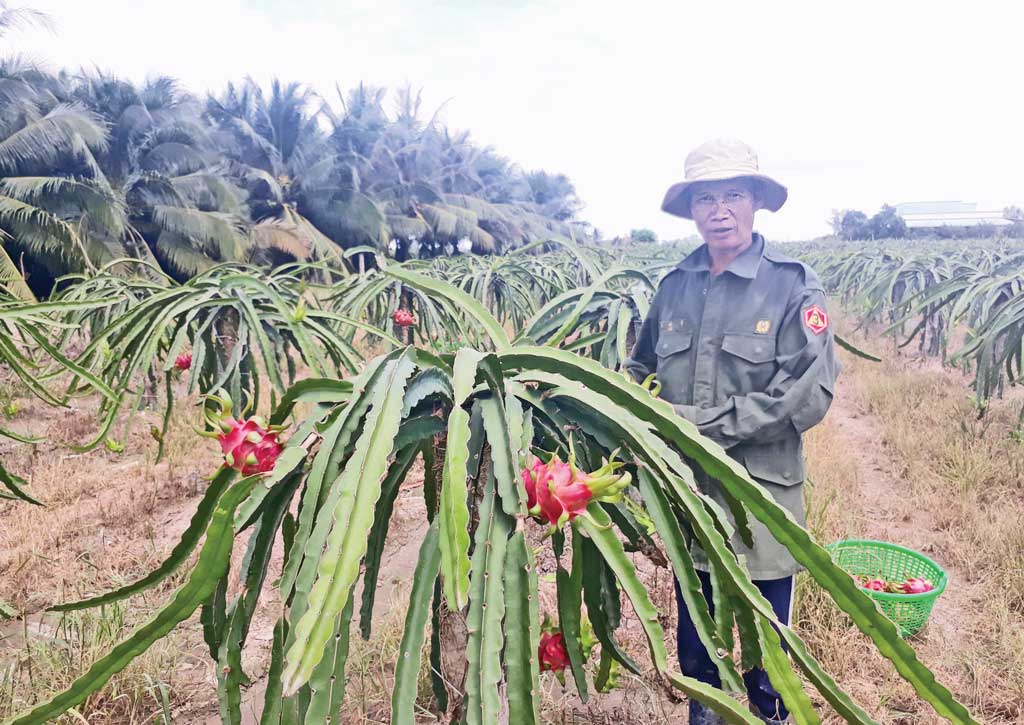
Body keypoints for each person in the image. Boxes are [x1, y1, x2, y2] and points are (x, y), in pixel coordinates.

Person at [625, 139, 840, 724]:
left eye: (734, 195)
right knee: (698, 647)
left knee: (766, 652)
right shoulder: (674, 286)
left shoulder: (793, 287)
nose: (720, 211)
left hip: (759, 499)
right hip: (687, 495)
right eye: (706, 198)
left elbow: (806, 394)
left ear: (756, 203)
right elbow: (641, 366)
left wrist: (694, 427)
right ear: (692, 210)